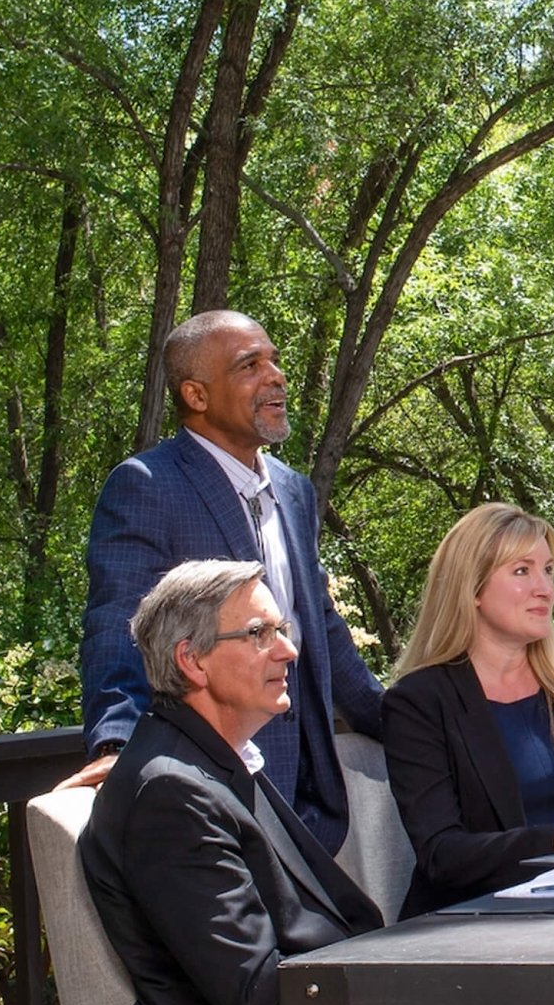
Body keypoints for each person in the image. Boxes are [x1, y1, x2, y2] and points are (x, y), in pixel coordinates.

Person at [80, 560, 411, 1005]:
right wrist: (400, 990)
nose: (288, 649)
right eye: (259, 634)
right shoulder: (170, 793)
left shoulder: (212, 760)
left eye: (281, 629)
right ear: (192, 660)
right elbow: (254, 990)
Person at [74, 310, 384, 854]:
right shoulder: (148, 485)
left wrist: (400, 722)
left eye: (274, 360)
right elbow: (117, 624)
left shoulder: (293, 490)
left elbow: (319, 626)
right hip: (212, 775)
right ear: (196, 394)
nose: (276, 376)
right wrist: (116, 741)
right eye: (250, 365)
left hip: (307, 783)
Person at [383, 502, 554, 918]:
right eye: (522, 571)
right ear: (471, 589)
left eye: (548, 570)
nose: (545, 588)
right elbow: (442, 853)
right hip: (473, 926)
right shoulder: (419, 702)